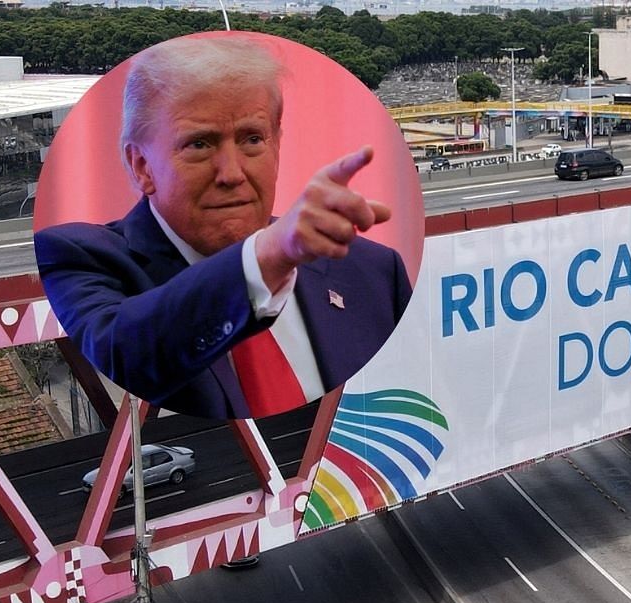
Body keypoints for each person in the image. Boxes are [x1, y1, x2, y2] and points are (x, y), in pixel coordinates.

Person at [35, 35, 412, 419]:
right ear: (141, 167)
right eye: (199, 144)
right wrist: (264, 260)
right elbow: (123, 352)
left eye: (252, 139)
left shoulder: (375, 272)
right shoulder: (78, 255)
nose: (232, 173)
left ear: (277, 146)